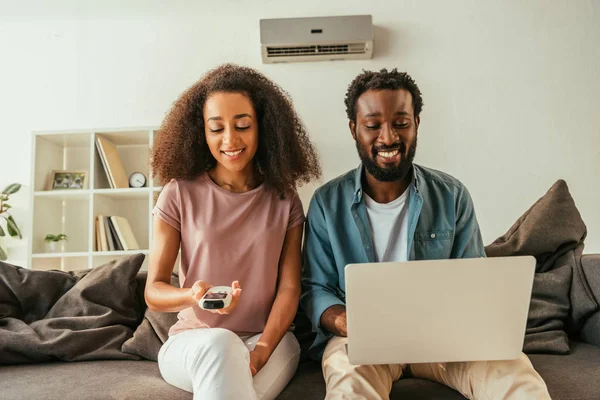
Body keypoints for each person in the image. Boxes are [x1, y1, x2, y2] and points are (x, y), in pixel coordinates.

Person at [300, 68, 551, 399]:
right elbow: (315, 289)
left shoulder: (452, 195)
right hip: (361, 343)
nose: (388, 137)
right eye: (373, 125)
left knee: (516, 375)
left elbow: (473, 281)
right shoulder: (326, 203)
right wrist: (348, 323)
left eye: (400, 123)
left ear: (417, 123)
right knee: (349, 386)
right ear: (354, 129)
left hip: (445, 344)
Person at [146, 64, 321, 400]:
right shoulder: (178, 193)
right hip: (193, 342)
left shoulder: (284, 199)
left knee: (233, 377)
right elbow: (153, 291)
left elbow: (289, 287)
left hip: (268, 339)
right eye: (216, 129)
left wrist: (263, 349)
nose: (230, 140)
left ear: (263, 129)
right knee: (222, 344)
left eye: (243, 126)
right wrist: (191, 296)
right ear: (201, 133)